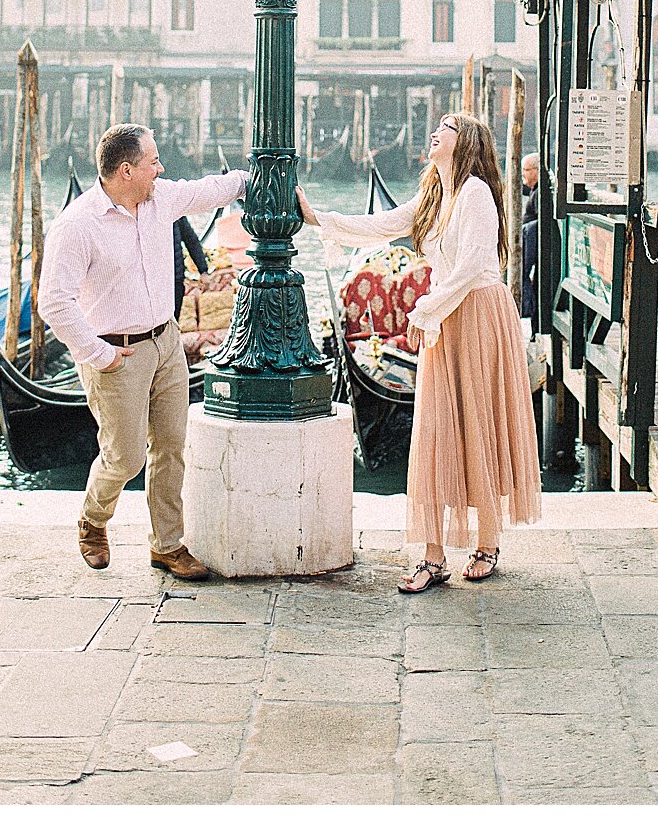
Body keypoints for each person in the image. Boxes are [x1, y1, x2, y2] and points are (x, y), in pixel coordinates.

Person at [298, 112, 540, 593]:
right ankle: (433, 555)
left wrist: (425, 308)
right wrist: (318, 218)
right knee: (434, 429)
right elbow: (382, 225)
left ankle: (486, 542)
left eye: (447, 126)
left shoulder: (475, 193)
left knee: (479, 422)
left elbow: (473, 264)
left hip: (477, 314)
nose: (436, 129)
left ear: (465, 140)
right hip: (444, 316)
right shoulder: (434, 192)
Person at [39, 122, 247, 580]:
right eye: (154, 161)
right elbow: (53, 302)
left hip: (166, 343)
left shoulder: (161, 199)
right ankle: (93, 520)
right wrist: (99, 354)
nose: (162, 168)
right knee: (126, 457)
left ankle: (167, 545)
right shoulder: (76, 225)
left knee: (172, 447)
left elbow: (207, 190)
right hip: (116, 356)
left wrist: (250, 178)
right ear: (127, 169)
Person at [173, 215, 209, 321]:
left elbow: (191, 241)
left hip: (176, 280)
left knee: (173, 324)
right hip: (152, 282)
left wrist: (203, 271)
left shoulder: (175, 210)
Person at [520, 151, 539, 320]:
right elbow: (523, 188)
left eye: (525, 170)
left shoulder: (539, 194)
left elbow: (538, 225)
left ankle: (526, 308)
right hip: (528, 239)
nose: (522, 175)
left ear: (537, 171)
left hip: (531, 242)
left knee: (522, 273)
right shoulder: (534, 190)